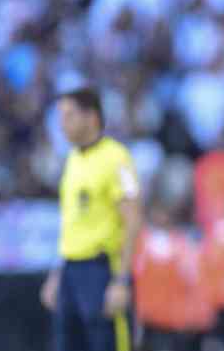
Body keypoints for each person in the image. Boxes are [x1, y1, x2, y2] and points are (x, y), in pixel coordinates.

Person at [40, 87, 143, 351]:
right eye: (61, 117)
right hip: (71, 270)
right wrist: (58, 273)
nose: (63, 124)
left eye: (69, 115)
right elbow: (72, 224)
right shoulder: (72, 160)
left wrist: (121, 280)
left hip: (102, 269)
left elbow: (132, 220)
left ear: (92, 117)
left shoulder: (117, 158)